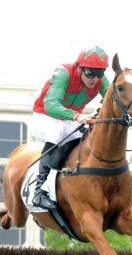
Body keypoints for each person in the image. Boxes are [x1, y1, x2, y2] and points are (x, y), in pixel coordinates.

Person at [30, 46, 111, 210]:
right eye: (90, 72)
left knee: (88, 137)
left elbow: (113, 100)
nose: (95, 79)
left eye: (99, 73)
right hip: (44, 116)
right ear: (80, 67)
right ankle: (39, 191)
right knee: (56, 132)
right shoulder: (64, 73)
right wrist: (77, 116)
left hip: (68, 120)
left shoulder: (100, 81)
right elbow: (51, 105)